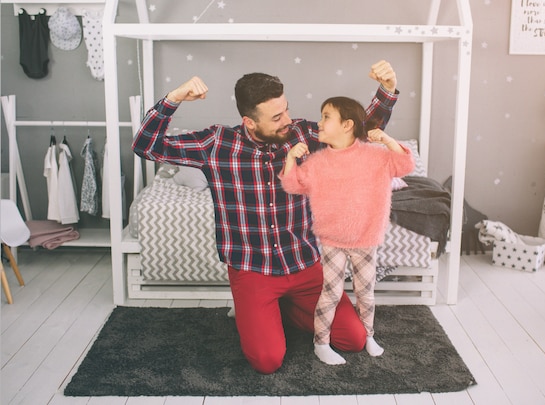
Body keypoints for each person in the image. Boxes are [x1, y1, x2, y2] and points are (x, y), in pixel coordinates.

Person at [132, 60, 399, 374]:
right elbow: (145, 145)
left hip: (305, 265)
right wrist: (173, 98)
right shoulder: (217, 144)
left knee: (353, 339)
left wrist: (387, 90)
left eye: (286, 109)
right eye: (276, 117)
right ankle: (261, 310)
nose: (287, 119)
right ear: (249, 121)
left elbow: (359, 132)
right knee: (267, 361)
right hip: (253, 271)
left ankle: (282, 310)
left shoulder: (303, 133)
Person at [280, 96, 414, 365]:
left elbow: (405, 165)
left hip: (365, 238)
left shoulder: (375, 156)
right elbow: (292, 184)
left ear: (347, 125)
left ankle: (368, 335)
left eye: (326, 116)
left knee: (366, 292)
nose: (319, 122)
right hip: (332, 239)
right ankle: (321, 342)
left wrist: (387, 140)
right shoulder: (318, 162)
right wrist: (290, 159)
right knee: (329, 293)